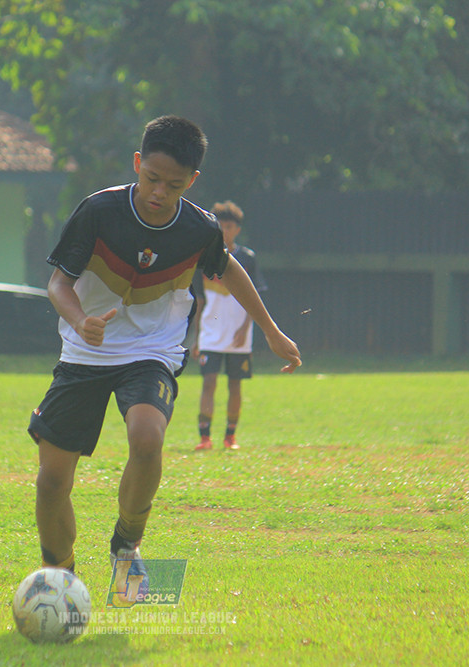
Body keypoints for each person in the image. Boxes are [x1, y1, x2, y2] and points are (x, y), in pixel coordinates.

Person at [26, 115, 302, 578]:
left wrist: (271, 331)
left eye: (173, 185)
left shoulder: (200, 228)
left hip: (151, 351)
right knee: (52, 481)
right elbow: (58, 282)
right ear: (137, 164)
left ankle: (127, 544)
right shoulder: (97, 211)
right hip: (85, 350)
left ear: (192, 181)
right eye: (151, 178)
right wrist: (80, 321)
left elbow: (227, 268)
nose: (159, 192)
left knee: (148, 438)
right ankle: (59, 579)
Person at [191, 200, 267, 451]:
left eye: (230, 226)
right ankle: (205, 437)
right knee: (208, 382)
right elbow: (200, 300)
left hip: (238, 335)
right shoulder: (204, 258)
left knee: (235, 384)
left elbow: (255, 297)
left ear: (238, 229)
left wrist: (245, 329)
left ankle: (230, 437)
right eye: (221, 225)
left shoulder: (247, 258)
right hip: (211, 333)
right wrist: (197, 337)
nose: (225, 230)